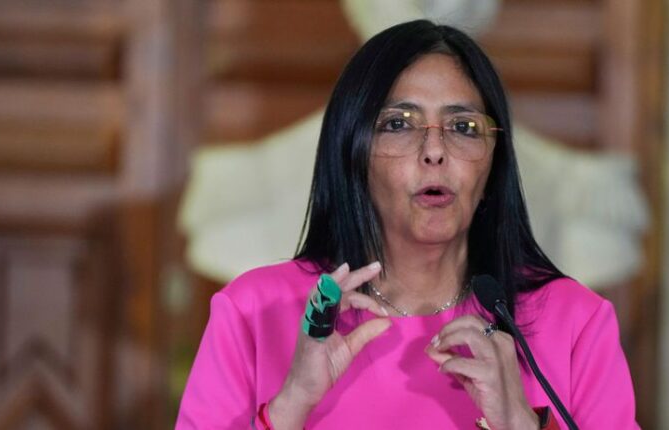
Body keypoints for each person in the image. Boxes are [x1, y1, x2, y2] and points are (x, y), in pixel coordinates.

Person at [176, 20, 639, 429]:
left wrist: (522, 425)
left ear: (493, 164)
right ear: (352, 150)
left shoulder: (574, 323)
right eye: (399, 124)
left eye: (463, 128)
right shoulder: (254, 313)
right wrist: (291, 405)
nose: (434, 151)